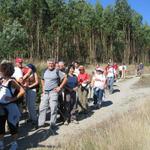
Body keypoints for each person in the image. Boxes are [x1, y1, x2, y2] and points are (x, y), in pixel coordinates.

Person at [0, 62, 25, 150]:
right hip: (1, 107)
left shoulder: (12, 81)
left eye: (1, 70)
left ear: (5, 71)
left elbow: (22, 91)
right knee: (1, 126)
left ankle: (14, 143)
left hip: (11, 107)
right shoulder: (1, 80)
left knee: (12, 126)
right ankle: (1, 143)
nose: (0, 71)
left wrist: (12, 99)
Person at [38, 58, 67, 129]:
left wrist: (59, 87)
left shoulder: (57, 71)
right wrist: (43, 88)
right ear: (47, 64)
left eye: (52, 63)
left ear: (54, 64)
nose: (51, 65)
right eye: (49, 63)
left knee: (53, 108)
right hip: (45, 92)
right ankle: (41, 124)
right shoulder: (44, 71)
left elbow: (65, 78)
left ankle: (52, 124)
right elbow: (42, 79)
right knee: (42, 108)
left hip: (53, 92)